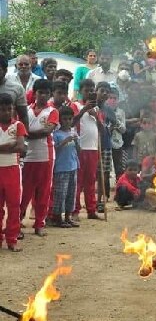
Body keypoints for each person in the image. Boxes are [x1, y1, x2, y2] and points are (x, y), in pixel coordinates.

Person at [20, 79, 59, 237]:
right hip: (28, 156)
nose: (43, 95)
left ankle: (39, 224)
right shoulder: (27, 111)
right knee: (25, 192)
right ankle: (17, 222)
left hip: (45, 155)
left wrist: (27, 133)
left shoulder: (52, 111)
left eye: (46, 93)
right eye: (40, 92)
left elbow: (46, 132)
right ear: (34, 93)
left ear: (50, 94)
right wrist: (28, 133)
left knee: (43, 191)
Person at [0, 93, 27, 251]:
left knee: (13, 206)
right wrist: (8, 147)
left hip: (12, 171)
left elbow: (20, 148)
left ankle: (12, 239)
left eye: (9, 109)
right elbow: (14, 146)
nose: (6, 112)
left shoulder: (18, 125)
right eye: (2, 109)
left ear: (13, 109)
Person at [73, 79, 101, 221]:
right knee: (78, 181)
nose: (89, 93)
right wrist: (84, 110)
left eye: (92, 90)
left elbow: (102, 129)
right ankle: (75, 210)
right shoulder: (75, 105)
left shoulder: (96, 109)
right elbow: (71, 122)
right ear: (80, 91)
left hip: (93, 148)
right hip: (80, 148)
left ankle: (91, 209)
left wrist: (95, 115)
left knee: (91, 180)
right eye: (86, 90)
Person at [50, 106, 79, 228]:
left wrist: (77, 141)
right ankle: (58, 218)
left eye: (70, 119)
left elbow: (79, 150)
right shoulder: (56, 134)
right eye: (65, 119)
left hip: (73, 166)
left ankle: (68, 216)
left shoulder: (73, 132)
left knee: (71, 193)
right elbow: (54, 149)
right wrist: (64, 141)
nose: (67, 121)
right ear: (60, 120)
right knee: (60, 194)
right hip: (61, 168)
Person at [95, 82, 113, 213]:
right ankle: (90, 200)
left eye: (107, 91)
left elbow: (113, 124)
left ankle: (99, 200)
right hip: (91, 144)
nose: (105, 93)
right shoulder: (91, 106)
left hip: (105, 144)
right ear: (96, 91)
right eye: (102, 90)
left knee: (103, 173)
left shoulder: (108, 110)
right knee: (91, 174)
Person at [106, 87, 127, 180]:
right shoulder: (103, 111)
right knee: (107, 167)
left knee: (118, 165)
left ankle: (119, 184)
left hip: (118, 143)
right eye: (110, 98)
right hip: (106, 143)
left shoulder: (121, 112)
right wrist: (109, 128)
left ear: (118, 100)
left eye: (115, 98)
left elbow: (123, 129)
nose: (112, 101)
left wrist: (116, 122)